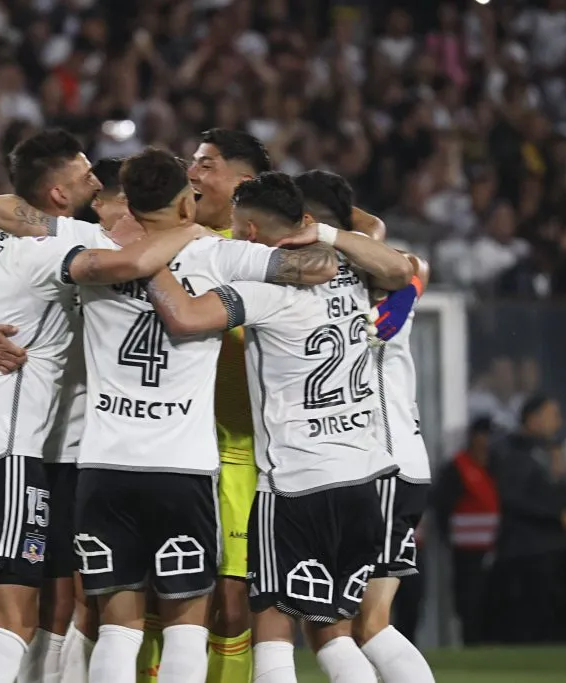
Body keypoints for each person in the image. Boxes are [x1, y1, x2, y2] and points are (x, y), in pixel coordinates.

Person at [0, 131, 204, 683]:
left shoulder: (23, 236)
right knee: (16, 620)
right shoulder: (67, 245)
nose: (97, 187)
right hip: (13, 449)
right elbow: (123, 264)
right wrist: (190, 229)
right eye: (88, 180)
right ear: (62, 195)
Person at [69, 151, 343, 683]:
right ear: (183, 200)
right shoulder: (217, 253)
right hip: (183, 469)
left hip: (103, 464)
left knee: (119, 630)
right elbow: (319, 268)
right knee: (186, 630)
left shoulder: (93, 253)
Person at [142, 171, 412, 683]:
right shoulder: (353, 272)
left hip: (294, 485)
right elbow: (403, 268)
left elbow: (184, 317)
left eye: (245, 230)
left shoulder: (264, 291)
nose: (242, 238)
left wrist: (144, 255)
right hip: (364, 477)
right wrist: (330, 237)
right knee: (335, 633)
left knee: (273, 634)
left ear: (251, 233)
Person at [291, 169, 437, 683]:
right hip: (408, 462)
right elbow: (410, 261)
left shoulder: (322, 280)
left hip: (368, 462)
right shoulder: (394, 278)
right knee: (372, 625)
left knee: (332, 628)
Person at [187, 128, 273, 683]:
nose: (192, 172)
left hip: (241, 452)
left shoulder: (261, 251)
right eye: (191, 162)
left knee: (232, 603)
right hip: (171, 445)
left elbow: (360, 222)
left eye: (206, 164)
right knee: (158, 595)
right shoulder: (164, 235)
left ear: (243, 183)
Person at [484, 396, 566, 643]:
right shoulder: (513, 450)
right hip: (528, 546)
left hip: (557, 544)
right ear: (533, 419)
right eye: (553, 414)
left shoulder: (551, 451)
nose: (559, 421)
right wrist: (555, 514)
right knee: (537, 611)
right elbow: (514, 497)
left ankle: (563, 643)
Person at [432, 417, 498, 645]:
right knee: (468, 596)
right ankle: (471, 640)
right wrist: (446, 538)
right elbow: (443, 505)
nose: (487, 441)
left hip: (493, 544)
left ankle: (487, 639)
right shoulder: (458, 466)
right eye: (483, 435)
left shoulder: (494, 465)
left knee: (489, 596)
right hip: (466, 547)